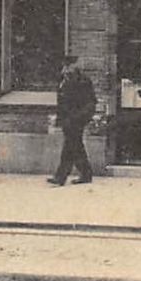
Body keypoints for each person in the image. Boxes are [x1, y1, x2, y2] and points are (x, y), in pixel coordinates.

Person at [48, 55, 97, 186]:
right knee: (75, 146)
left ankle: (61, 177)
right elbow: (61, 102)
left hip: (76, 120)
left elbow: (91, 102)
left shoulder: (83, 81)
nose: (65, 69)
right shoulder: (63, 80)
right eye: (64, 66)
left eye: (68, 66)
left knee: (70, 146)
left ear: (74, 66)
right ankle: (86, 174)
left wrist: (80, 117)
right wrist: (59, 119)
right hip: (67, 120)